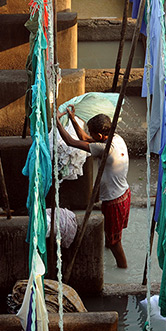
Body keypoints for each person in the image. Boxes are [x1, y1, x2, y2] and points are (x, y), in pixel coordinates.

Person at [55, 106, 131, 268]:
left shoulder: (104, 148)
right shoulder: (116, 138)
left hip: (114, 200)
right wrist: (73, 118)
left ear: (100, 135)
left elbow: (71, 141)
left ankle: (122, 268)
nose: (89, 134)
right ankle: (109, 247)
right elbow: (84, 137)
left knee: (115, 242)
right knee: (113, 235)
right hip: (123, 193)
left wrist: (57, 123)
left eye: (92, 132)